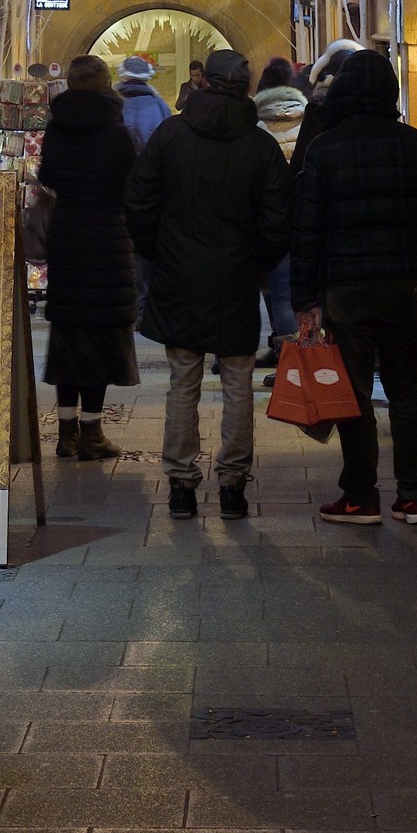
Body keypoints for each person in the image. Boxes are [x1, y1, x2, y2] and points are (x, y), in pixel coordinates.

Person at [124, 48, 293, 520]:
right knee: (238, 381)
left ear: (203, 82)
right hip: (236, 279)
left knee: (183, 381)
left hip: (179, 276)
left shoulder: (171, 134)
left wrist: (158, 253)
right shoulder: (259, 146)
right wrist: (256, 262)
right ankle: (233, 485)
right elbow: (279, 218)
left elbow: (138, 200)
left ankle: (181, 484)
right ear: (245, 88)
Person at [290, 48, 417, 528]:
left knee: (355, 395)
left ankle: (360, 496)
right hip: (405, 285)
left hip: (346, 287)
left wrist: (305, 298)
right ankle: (413, 497)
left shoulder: (324, 148)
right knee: (406, 391)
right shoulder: (416, 143)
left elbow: (307, 230)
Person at [40, 55, 139, 461]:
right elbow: (130, 185)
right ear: (105, 84)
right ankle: (92, 434)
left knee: (68, 334)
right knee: (100, 336)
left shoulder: (55, 127)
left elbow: (47, 177)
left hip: (66, 238)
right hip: (107, 241)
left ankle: (65, 433)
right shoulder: (117, 133)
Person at [253, 57, 308, 363]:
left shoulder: (257, 126)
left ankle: (290, 363)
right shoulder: (306, 119)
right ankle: (293, 355)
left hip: (271, 219)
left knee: (278, 293)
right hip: (303, 216)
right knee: (296, 294)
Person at [115, 54, 172, 153]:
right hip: (152, 164)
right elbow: (169, 139)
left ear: (123, 77)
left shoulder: (114, 104)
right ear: (146, 78)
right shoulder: (159, 105)